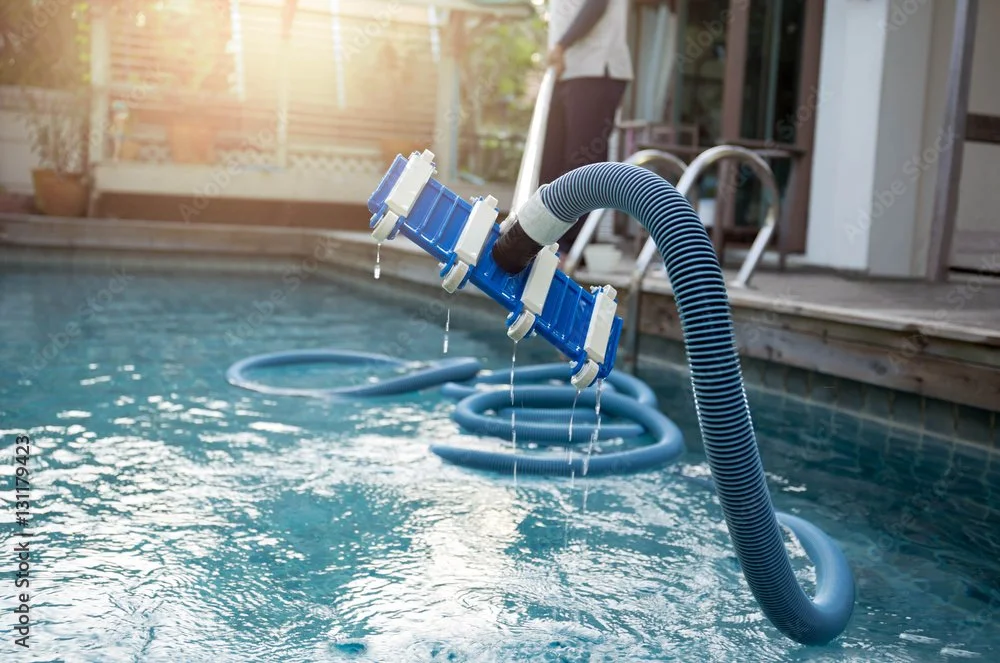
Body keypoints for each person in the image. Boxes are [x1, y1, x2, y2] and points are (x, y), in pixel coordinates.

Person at [541, 0, 633, 259]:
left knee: (581, 162)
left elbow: (597, 5)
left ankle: (572, 248)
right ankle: (547, 240)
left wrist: (560, 45)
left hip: (597, 69)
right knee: (551, 162)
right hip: (566, 71)